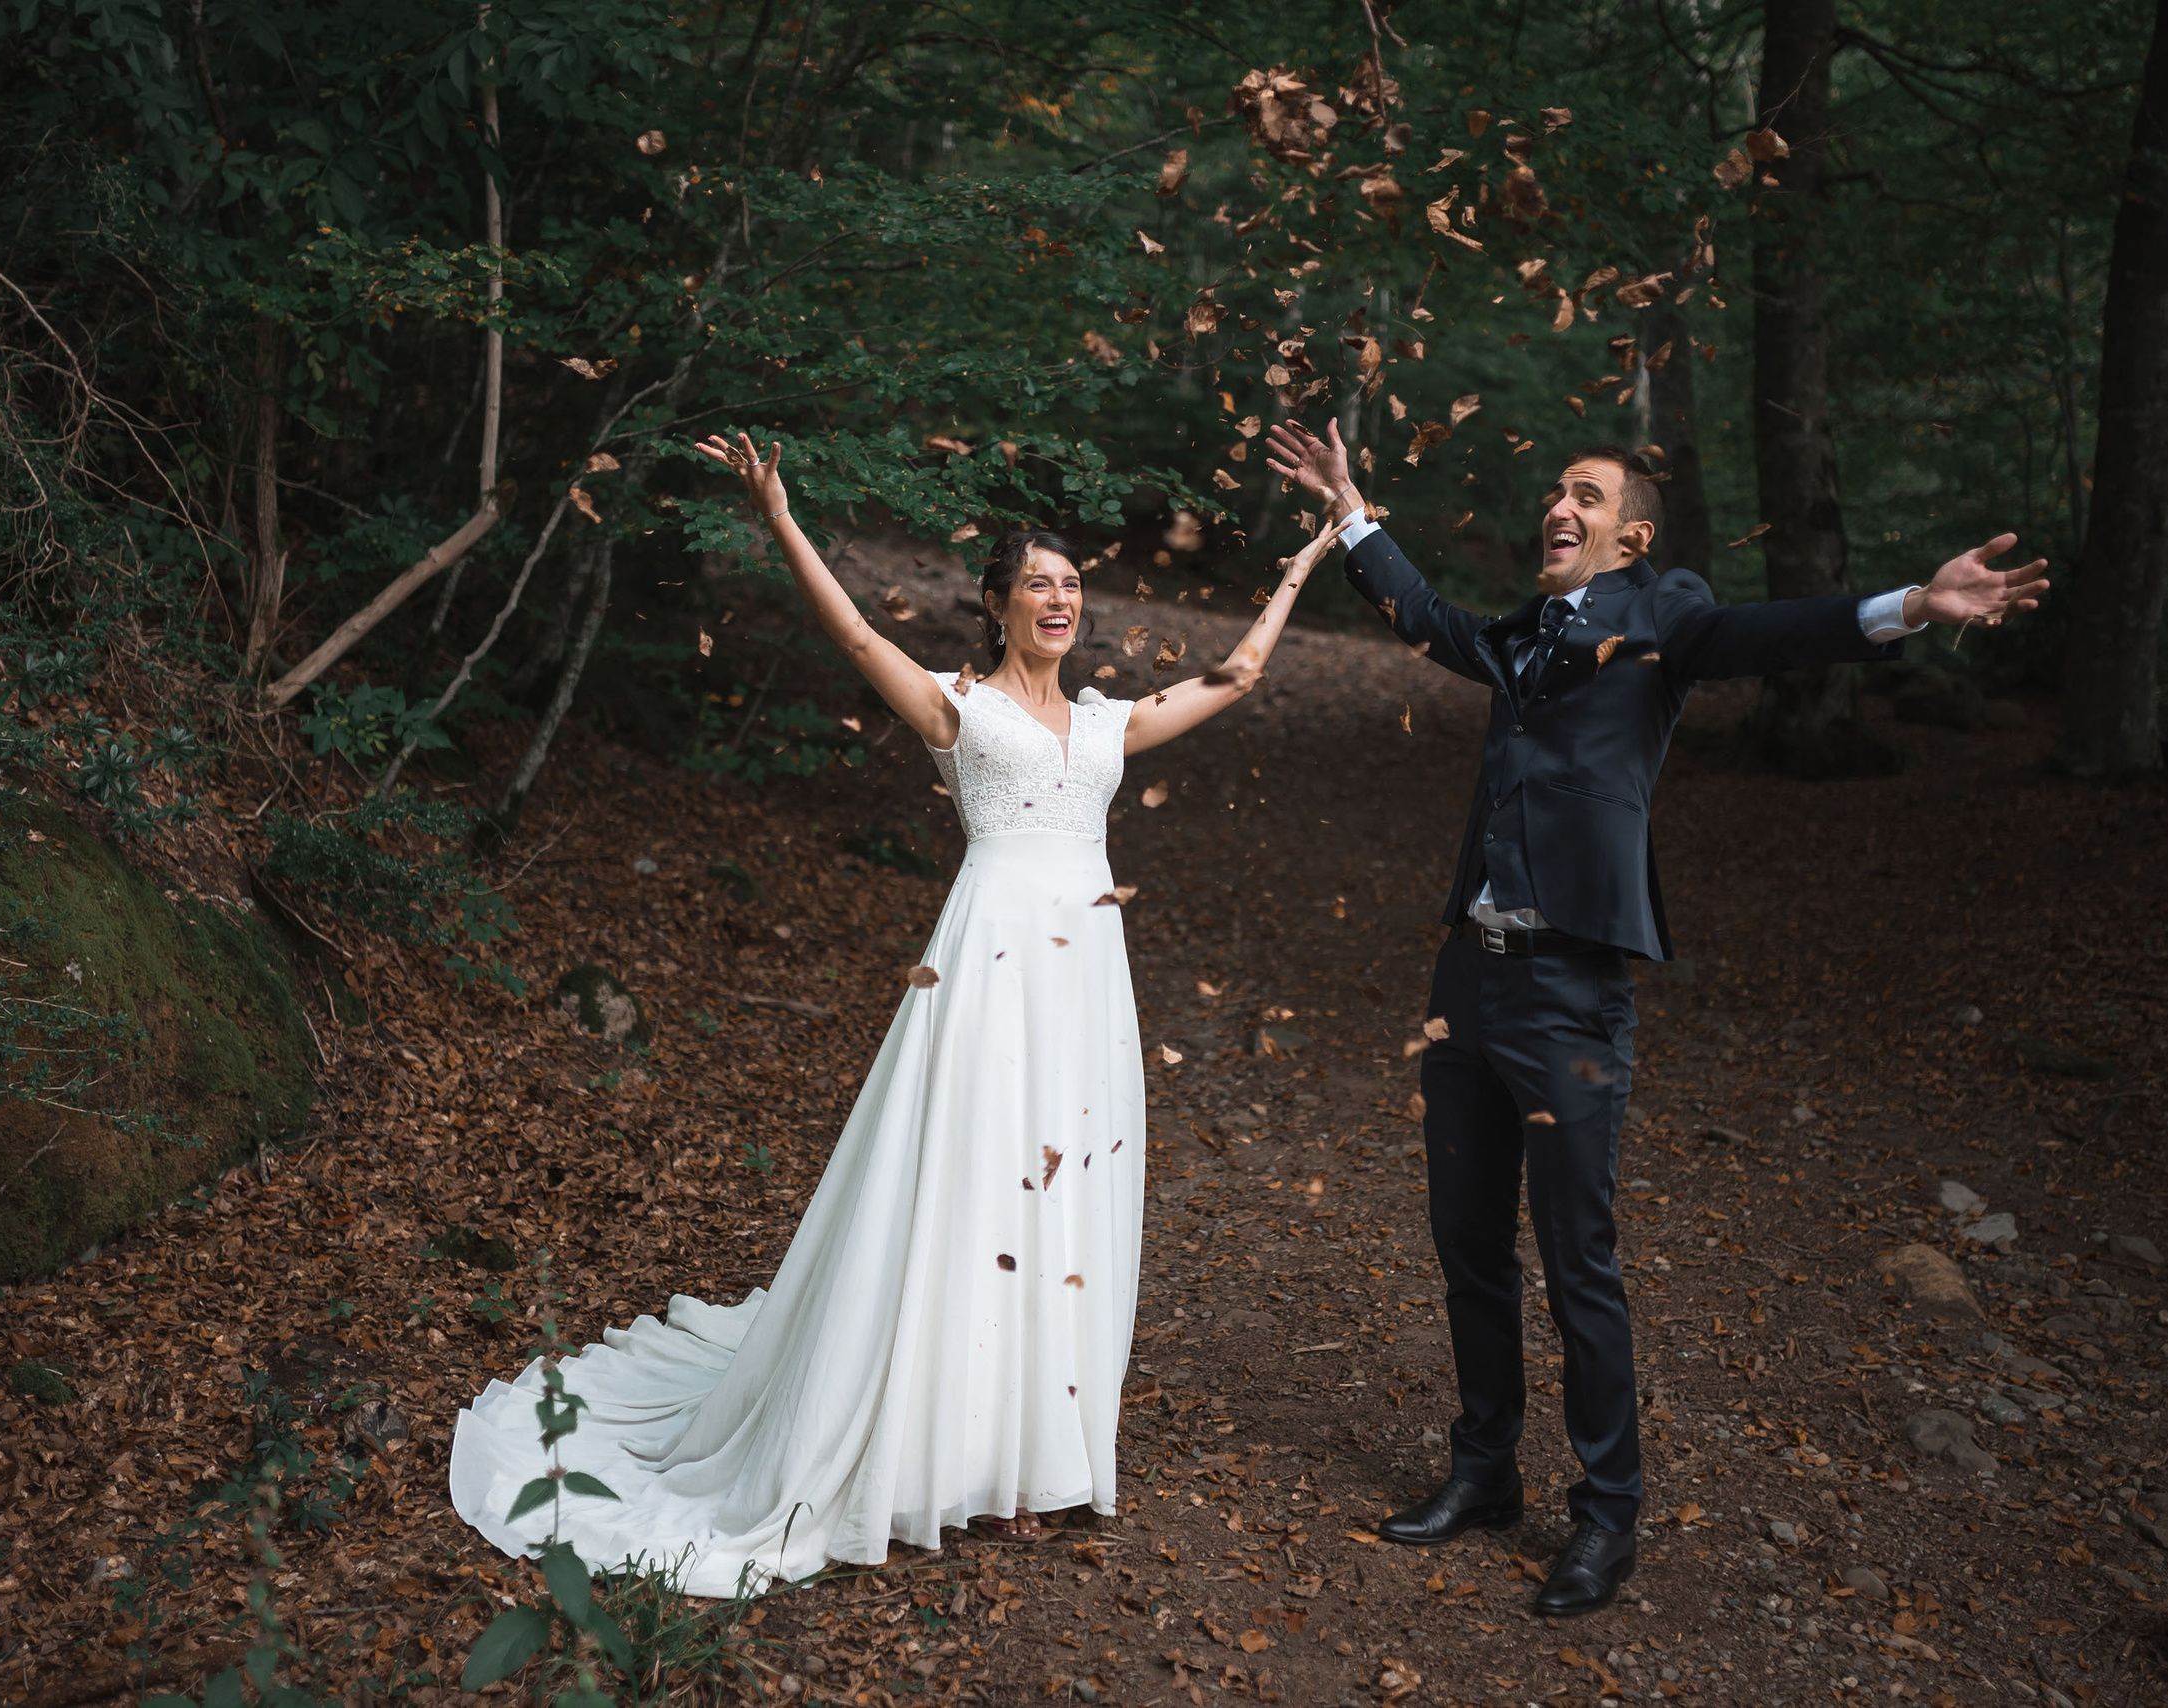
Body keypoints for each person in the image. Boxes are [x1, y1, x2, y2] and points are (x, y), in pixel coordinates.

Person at [449, 432, 1336, 1593]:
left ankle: (1033, 1460)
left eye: (1073, 585)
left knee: (1069, 1194)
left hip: (1086, 979)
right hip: (989, 966)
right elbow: (858, 634)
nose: (1060, 599)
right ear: (997, 604)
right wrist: (778, 514)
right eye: (1039, 583)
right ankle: (952, 1451)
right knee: (976, 1182)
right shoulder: (960, 707)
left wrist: (1304, 561)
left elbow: (1234, 679)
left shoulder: (1108, 722)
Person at [1264, 418, 2049, 1616]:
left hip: (1571, 990)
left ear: (1629, 531)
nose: (1555, 508)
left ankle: (1606, 1517)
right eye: (1550, 493)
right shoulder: (1527, 634)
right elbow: (1438, 628)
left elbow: (1762, 635)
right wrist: (1352, 514)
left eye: (1582, 494)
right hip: (1465, 981)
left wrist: (1910, 606)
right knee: (1468, 1247)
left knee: (1577, 1261)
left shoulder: (1665, 611)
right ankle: (1482, 1476)